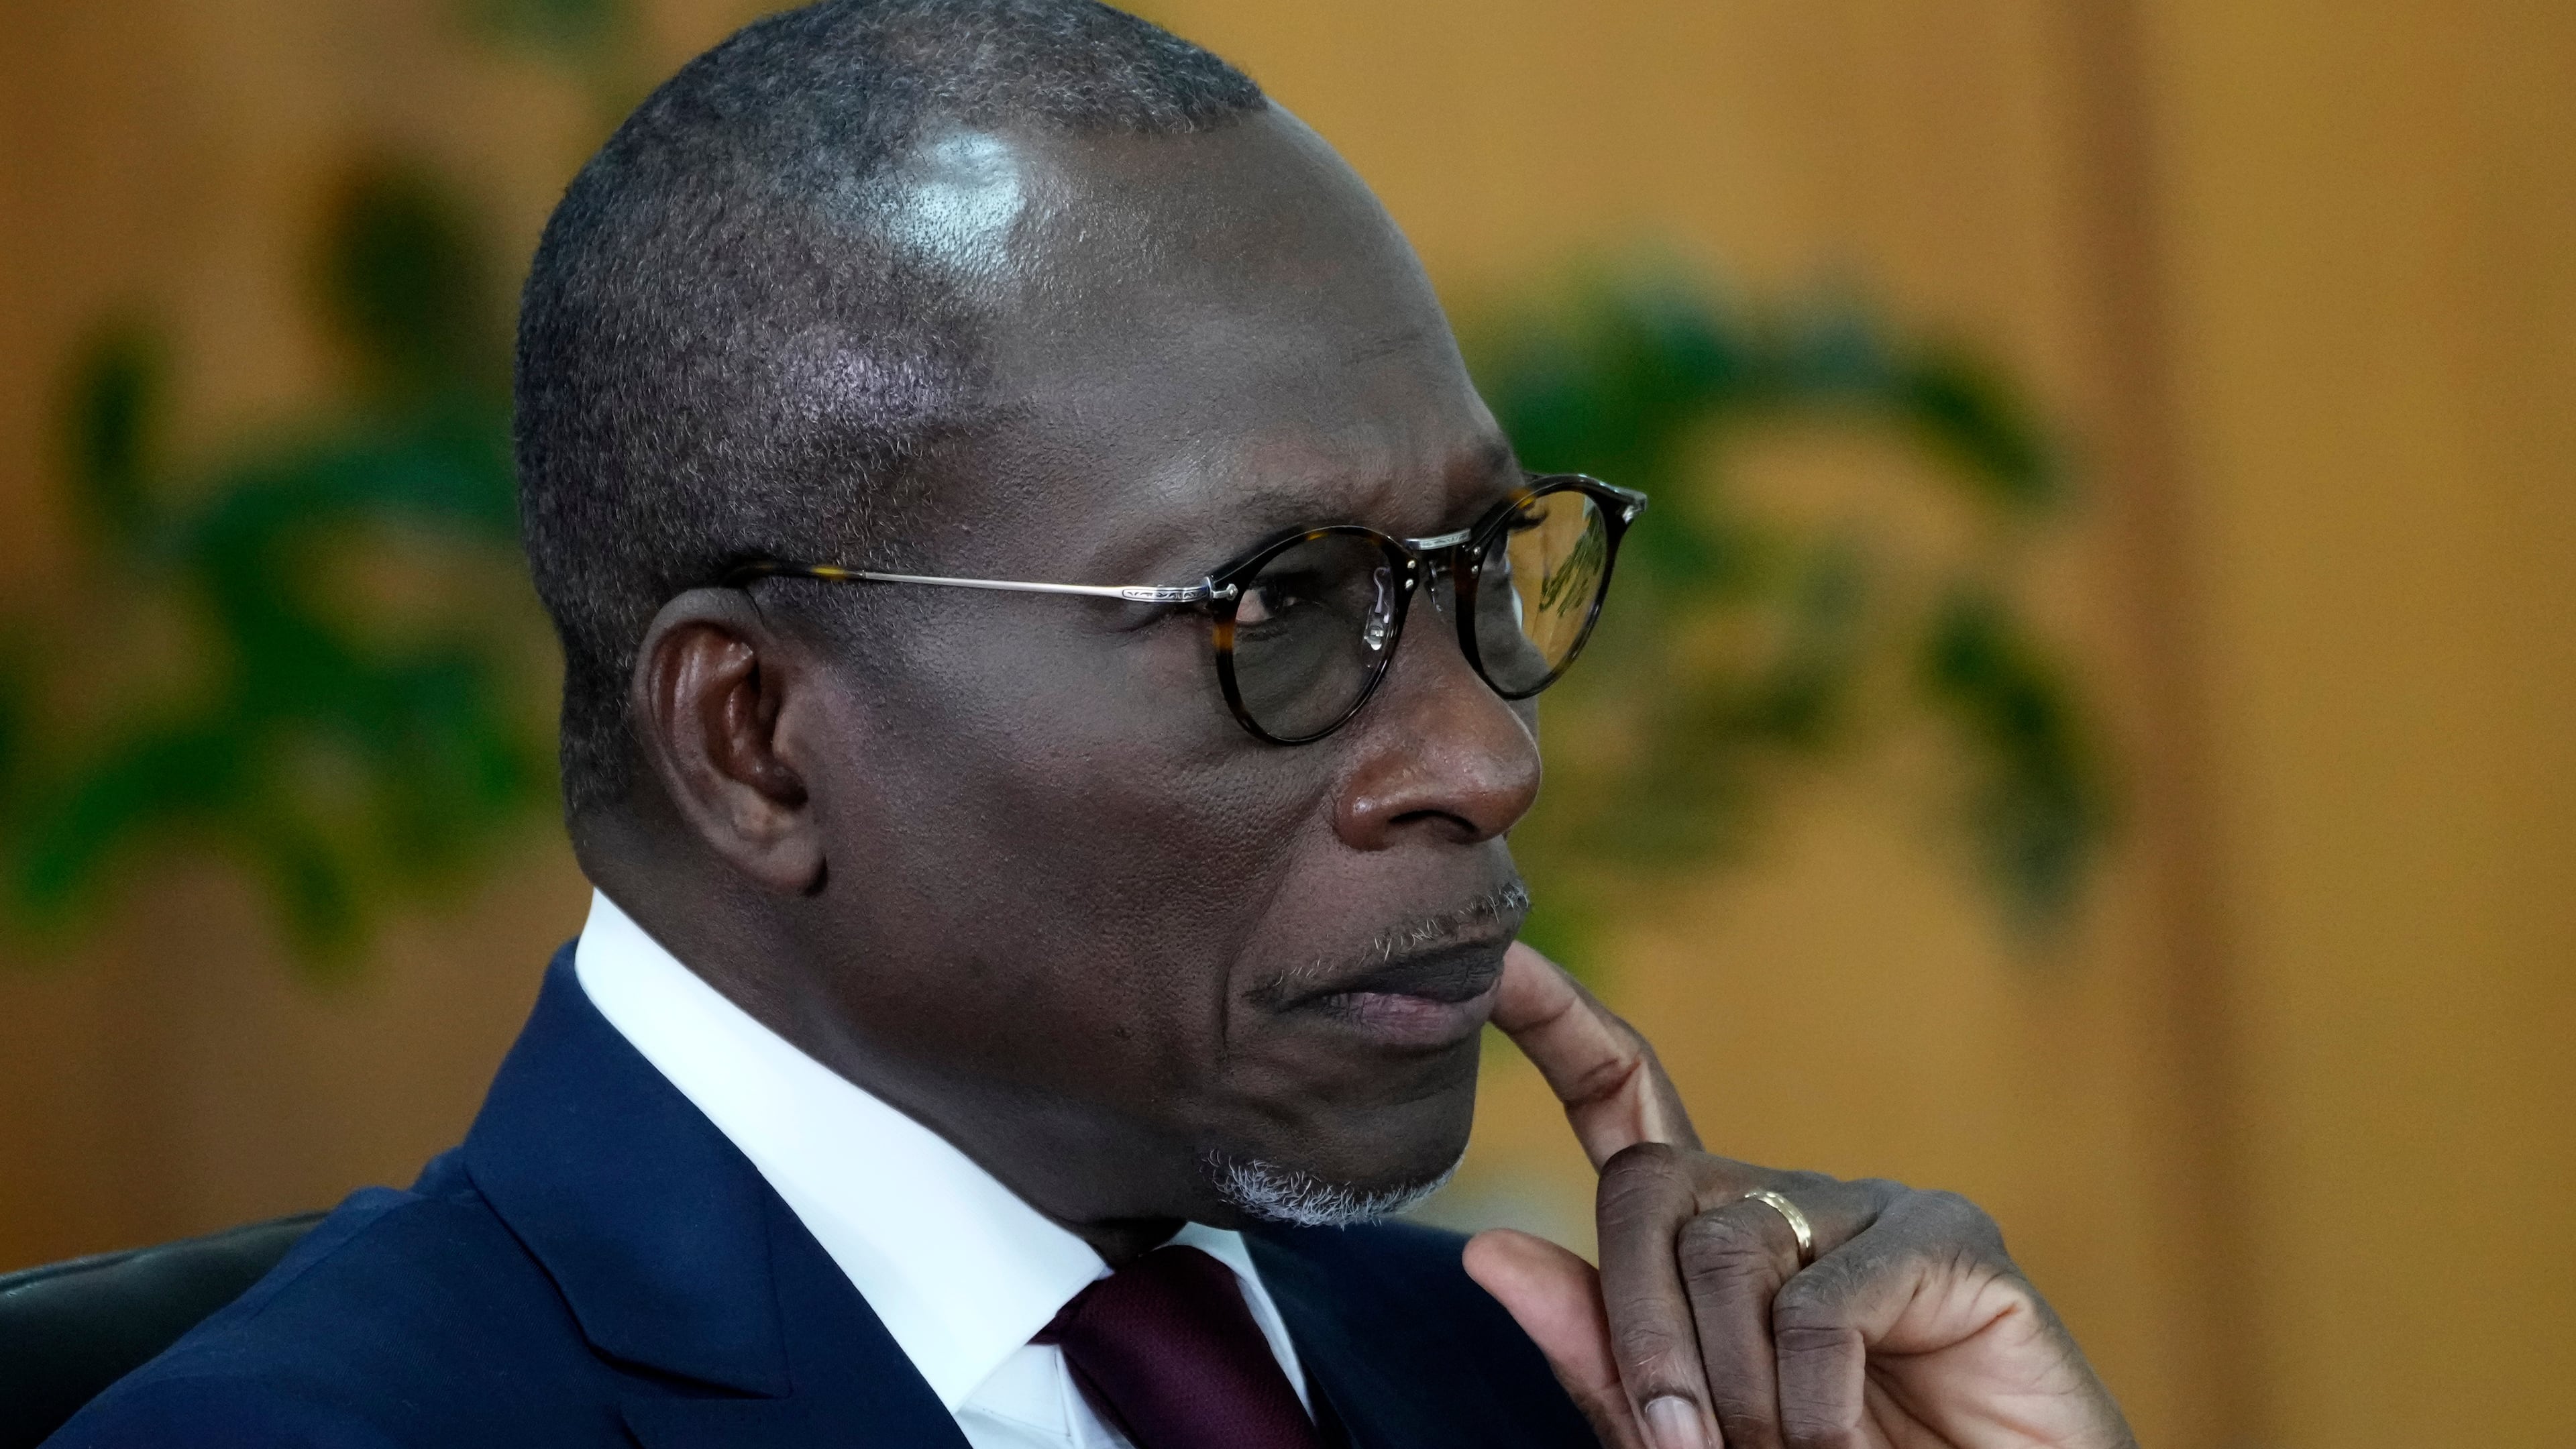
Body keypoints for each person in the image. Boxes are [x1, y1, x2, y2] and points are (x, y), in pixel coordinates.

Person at [52, 2, 2137, 1446]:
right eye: (1282, 610)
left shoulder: (1556, 1393)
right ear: (757, 735)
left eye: (1482, 571)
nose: (1487, 759)